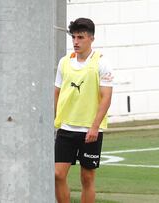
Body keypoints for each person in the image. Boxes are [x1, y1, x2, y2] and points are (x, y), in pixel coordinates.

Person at [54, 18, 113, 203]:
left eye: (81, 37)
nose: (76, 42)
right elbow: (56, 92)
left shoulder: (101, 64)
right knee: (57, 174)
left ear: (91, 39)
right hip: (66, 129)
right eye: (74, 37)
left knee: (87, 178)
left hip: (90, 131)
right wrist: (56, 118)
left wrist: (95, 127)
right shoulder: (64, 62)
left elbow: (106, 97)